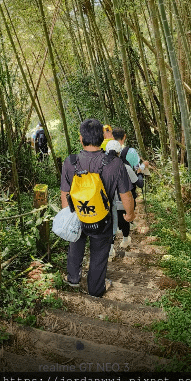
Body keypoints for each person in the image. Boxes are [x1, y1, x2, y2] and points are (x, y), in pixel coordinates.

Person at [60, 118, 135, 297]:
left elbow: (65, 193)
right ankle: (95, 290)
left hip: (78, 214)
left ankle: (73, 280)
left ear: (81, 138)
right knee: (99, 254)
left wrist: (68, 217)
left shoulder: (70, 162)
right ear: (103, 138)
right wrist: (130, 215)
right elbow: (126, 195)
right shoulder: (115, 164)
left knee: (76, 247)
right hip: (103, 218)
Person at [106, 139, 144, 249]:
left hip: (107, 202)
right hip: (122, 202)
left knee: (111, 224)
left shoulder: (102, 167)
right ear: (119, 153)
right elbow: (139, 183)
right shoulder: (125, 167)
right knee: (124, 221)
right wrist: (140, 174)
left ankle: (111, 250)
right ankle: (125, 240)